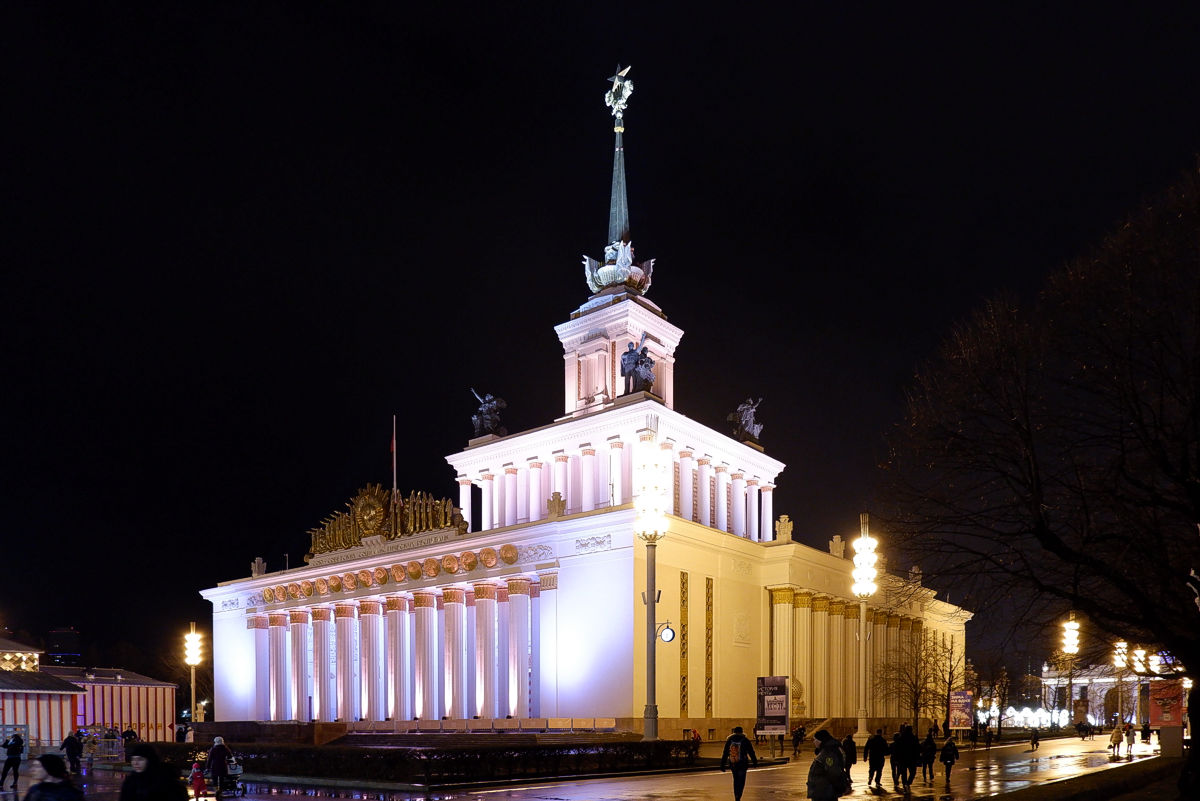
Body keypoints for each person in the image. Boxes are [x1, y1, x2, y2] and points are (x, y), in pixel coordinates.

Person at [120, 743, 187, 801]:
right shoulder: (130, 782)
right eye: (133, 759)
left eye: (140, 759)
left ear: (150, 760)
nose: (135, 763)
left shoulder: (167, 782)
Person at [806, 729, 848, 801]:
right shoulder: (826, 751)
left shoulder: (828, 753)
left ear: (820, 740)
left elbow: (834, 772)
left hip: (824, 793)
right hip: (823, 791)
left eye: (815, 739)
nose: (813, 742)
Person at [719, 726, 758, 801]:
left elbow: (725, 752)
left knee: (736, 779)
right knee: (741, 780)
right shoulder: (745, 740)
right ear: (742, 732)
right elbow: (751, 751)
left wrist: (722, 765)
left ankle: (736, 795)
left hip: (733, 763)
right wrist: (754, 761)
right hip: (743, 763)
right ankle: (739, 795)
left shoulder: (730, 740)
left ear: (734, 732)